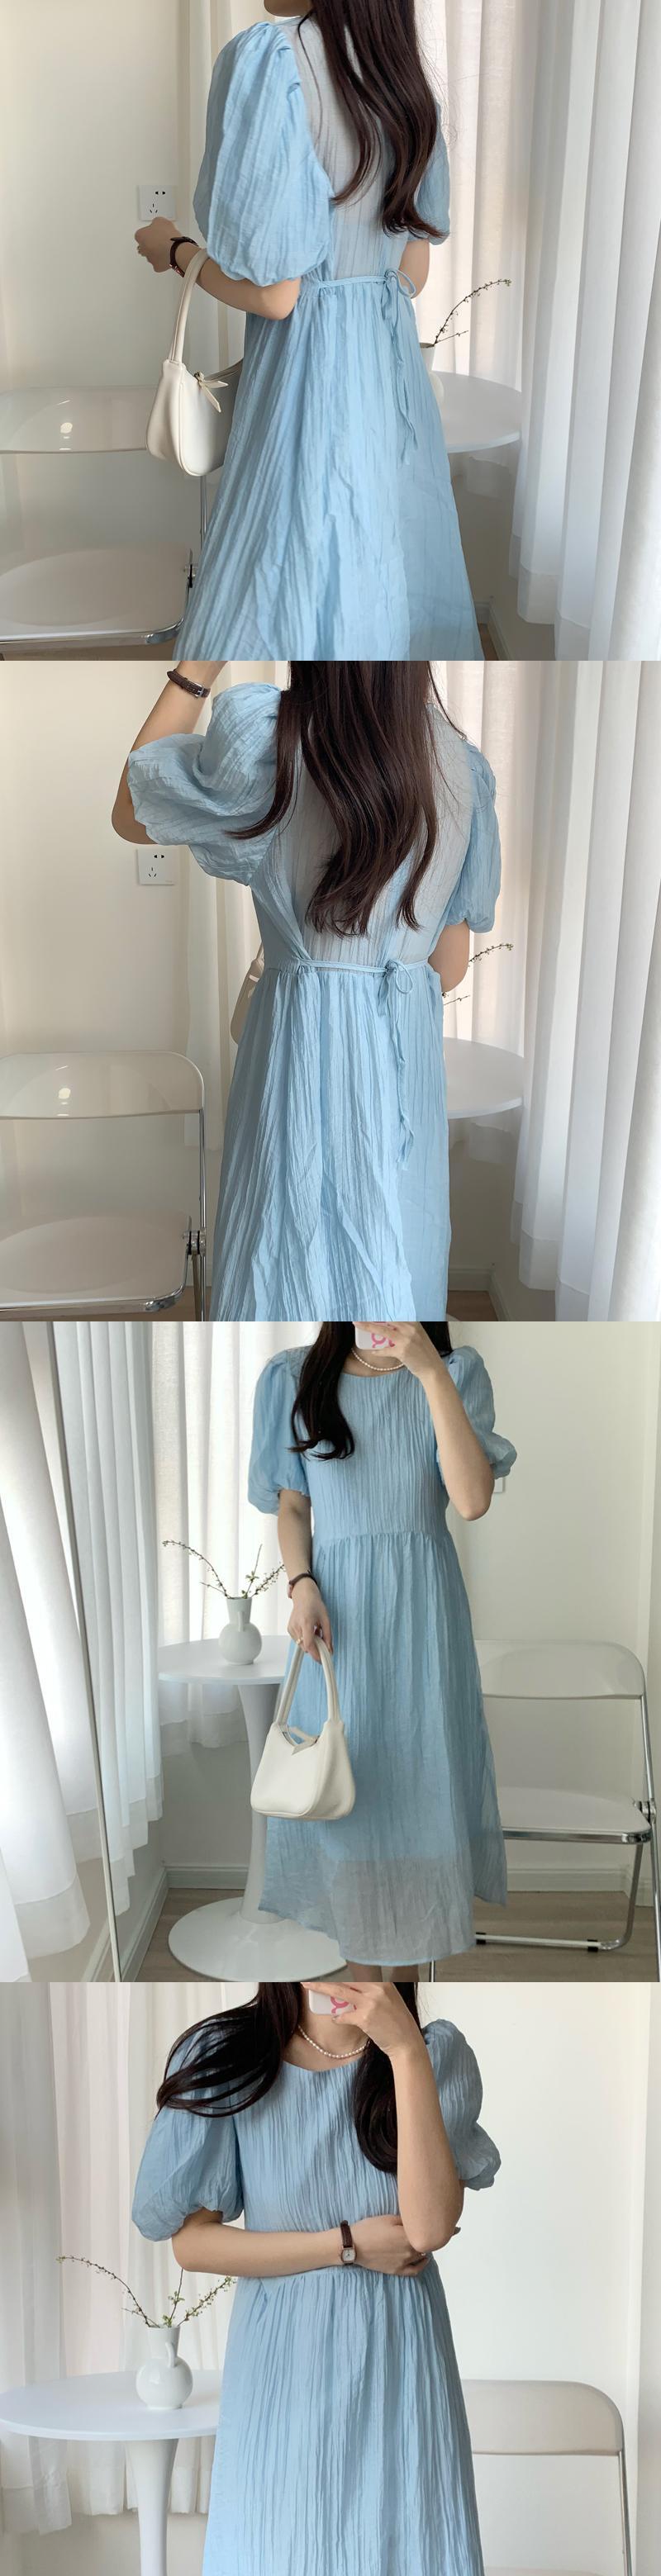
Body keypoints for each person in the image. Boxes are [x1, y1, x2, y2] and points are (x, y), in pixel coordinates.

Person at [113, 664, 501, 1320]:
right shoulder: (462, 766)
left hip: (300, 1044)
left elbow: (132, 811)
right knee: (399, 1247)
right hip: (403, 1053)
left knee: (284, 1246)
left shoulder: (275, 739)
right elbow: (450, 966)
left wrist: (195, 671)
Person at [132, 1977, 500, 2576]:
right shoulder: (230, 2054)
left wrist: (403, 2050)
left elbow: (429, 2227)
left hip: (399, 2370)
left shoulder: (432, 2053)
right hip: (284, 2371)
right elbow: (191, 2243)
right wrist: (346, 2244)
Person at [135, 3, 481, 659]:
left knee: (290, 572)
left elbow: (277, 297)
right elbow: (411, 271)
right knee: (377, 563)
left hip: (307, 380)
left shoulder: (274, 60)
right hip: (388, 380)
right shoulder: (403, 81)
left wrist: (175, 250)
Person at [247, 1322, 516, 1964]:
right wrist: (301, 1585)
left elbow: (472, 1500)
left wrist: (429, 1370)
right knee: (350, 1789)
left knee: (422, 1787)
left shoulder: (458, 1371)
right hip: (337, 1616)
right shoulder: (293, 1376)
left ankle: (404, 1977)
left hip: (424, 1617)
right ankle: (368, 1970)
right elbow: (292, 1507)